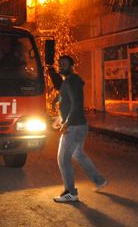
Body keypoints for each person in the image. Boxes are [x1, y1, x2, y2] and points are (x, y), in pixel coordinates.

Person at [52, 55, 108, 203]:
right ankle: (99, 181)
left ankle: (70, 192)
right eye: (60, 64)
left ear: (71, 66)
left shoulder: (72, 81)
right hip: (79, 125)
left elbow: (76, 104)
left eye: (64, 64)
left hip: (74, 126)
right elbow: (68, 101)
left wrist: (66, 123)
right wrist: (59, 115)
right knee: (78, 154)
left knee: (63, 159)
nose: (60, 66)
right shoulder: (69, 81)